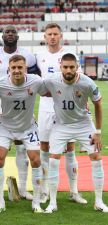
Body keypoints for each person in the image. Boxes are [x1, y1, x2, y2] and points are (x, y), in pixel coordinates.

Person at [43, 53, 108, 213]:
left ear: (77, 67)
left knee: (96, 158)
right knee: (53, 161)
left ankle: (99, 202)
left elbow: (98, 104)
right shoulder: (51, 80)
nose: (68, 70)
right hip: (61, 125)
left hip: (83, 124)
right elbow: (33, 89)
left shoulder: (87, 83)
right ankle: (52, 202)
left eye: (72, 67)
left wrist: (98, 132)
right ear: (61, 67)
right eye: (65, 67)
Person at [0, 25, 38, 201]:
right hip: (1, 106)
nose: (9, 34)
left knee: (23, 149)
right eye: (7, 31)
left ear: (17, 36)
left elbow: (34, 80)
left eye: (13, 32)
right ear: (2, 35)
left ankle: (23, 189)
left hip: (22, 108)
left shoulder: (28, 55)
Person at [36, 23, 87, 204]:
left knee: (70, 149)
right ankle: (44, 191)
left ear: (60, 36)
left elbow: (79, 81)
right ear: (44, 36)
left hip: (66, 107)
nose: (52, 37)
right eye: (49, 34)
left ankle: (74, 191)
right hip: (46, 106)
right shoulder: (39, 56)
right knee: (44, 146)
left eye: (55, 34)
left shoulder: (69, 56)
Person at [0, 55, 46, 213]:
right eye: (13, 68)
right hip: (6, 127)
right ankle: (0, 202)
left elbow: (49, 92)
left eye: (20, 67)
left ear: (25, 69)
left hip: (28, 127)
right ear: (9, 69)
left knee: (36, 159)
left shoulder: (35, 81)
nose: (16, 70)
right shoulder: (0, 84)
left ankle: (36, 202)